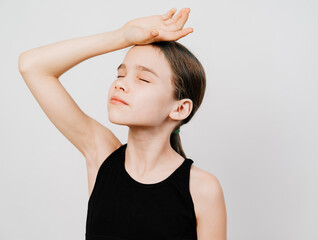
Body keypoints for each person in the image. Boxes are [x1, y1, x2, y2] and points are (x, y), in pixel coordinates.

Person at [18, 7, 227, 240]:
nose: (120, 85)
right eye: (120, 75)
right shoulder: (102, 156)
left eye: (143, 78)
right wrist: (123, 35)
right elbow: (32, 66)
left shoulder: (202, 189)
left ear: (179, 108)